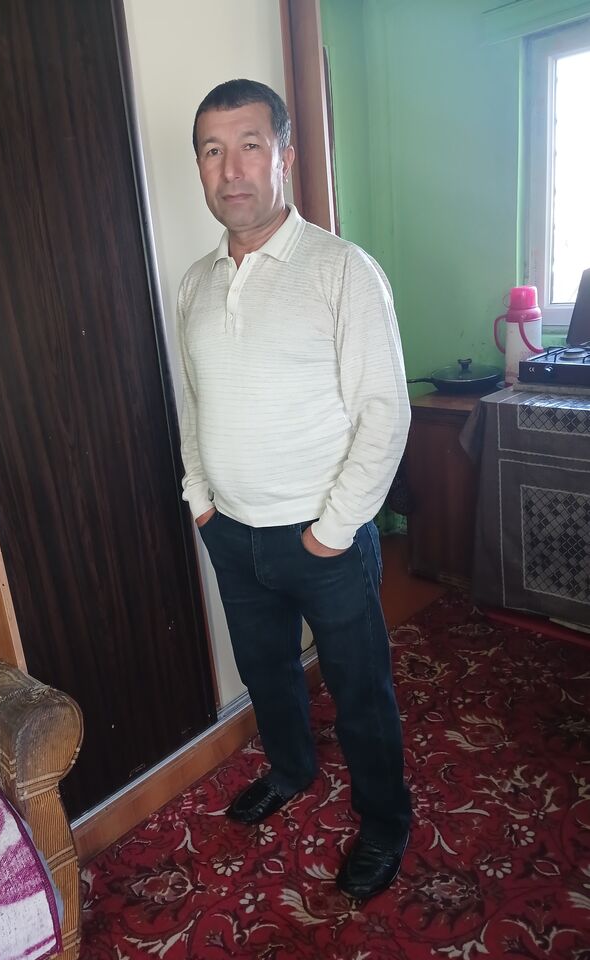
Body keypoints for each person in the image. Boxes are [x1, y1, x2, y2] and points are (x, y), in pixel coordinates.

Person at [176, 79, 412, 902]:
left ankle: (385, 821)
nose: (230, 169)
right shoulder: (196, 283)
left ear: (284, 155)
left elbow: (384, 414)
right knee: (266, 670)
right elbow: (194, 402)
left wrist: (332, 531)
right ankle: (290, 769)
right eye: (212, 150)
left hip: (324, 538)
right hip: (231, 533)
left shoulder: (341, 270)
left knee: (360, 689)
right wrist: (200, 500)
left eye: (249, 145)